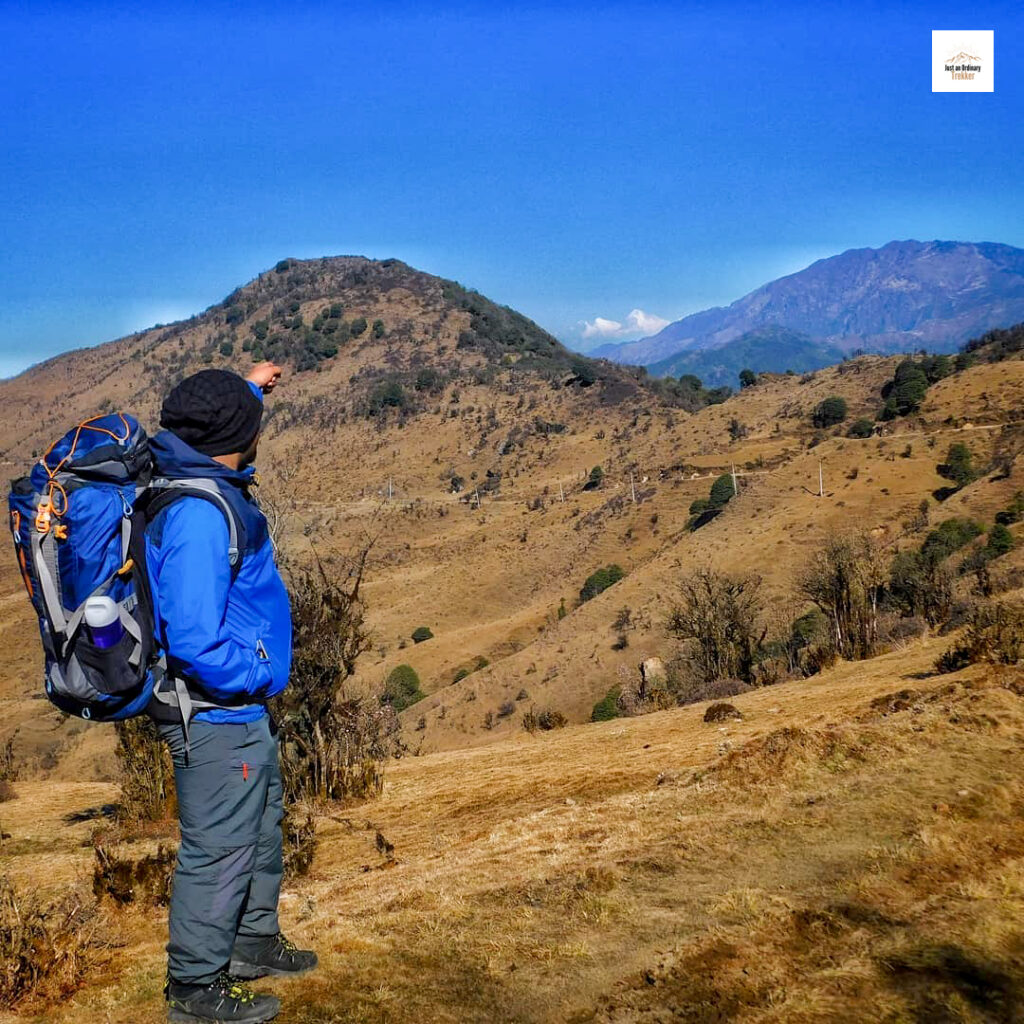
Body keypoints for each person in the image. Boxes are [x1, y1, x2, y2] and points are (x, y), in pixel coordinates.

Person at [145, 362, 316, 1024]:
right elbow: (192, 640)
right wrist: (258, 666)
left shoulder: (201, 475)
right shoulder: (197, 514)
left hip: (237, 712)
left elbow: (217, 420)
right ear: (233, 440)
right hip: (214, 712)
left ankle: (250, 944)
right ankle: (194, 989)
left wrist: (248, 387)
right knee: (219, 845)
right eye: (253, 423)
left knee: (259, 828)